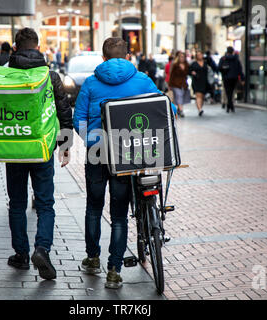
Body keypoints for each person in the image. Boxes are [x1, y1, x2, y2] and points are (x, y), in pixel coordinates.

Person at [73, 37, 176, 290]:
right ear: (128, 56)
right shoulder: (141, 80)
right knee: (119, 215)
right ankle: (114, 271)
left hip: (97, 153)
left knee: (94, 208)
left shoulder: (91, 82)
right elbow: (167, 108)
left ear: (103, 57)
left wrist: (92, 142)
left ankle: (92, 258)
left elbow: (79, 120)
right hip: (128, 154)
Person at [4, 28, 73, 280]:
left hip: (13, 147)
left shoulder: (5, 75)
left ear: (15, 47)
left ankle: (21, 255)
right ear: (38, 46)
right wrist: (65, 145)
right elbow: (64, 110)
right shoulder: (49, 76)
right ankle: (42, 248)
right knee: (45, 203)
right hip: (43, 147)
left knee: (17, 203)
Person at [190, 50, 217, 116]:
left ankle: (200, 107)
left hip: (204, 81)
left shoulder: (206, 62)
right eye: (198, 55)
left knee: (202, 96)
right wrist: (193, 73)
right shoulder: (194, 63)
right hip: (196, 81)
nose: (200, 56)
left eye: (201, 54)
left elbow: (213, 66)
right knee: (198, 95)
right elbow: (189, 71)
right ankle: (200, 109)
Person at [218, 47, 245, 113]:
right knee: (232, 91)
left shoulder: (223, 59)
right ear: (232, 52)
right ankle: (230, 105)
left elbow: (219, 68)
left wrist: (223, 71)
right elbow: (240, 69)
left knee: (228, 91)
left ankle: (229, 105)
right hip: (234, 77)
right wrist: (242, 78)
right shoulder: (236, 59)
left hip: (226, 77)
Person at [168, 51, 190, 118]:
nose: (182, 58)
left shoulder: (187, 65)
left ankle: (178, 109)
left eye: (183, 57)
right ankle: (181, 110)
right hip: (175, 83)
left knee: (181, 96)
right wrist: (169, 85)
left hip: (183, 84)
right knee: (179, 95)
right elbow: (171, 75)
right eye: (180, 57)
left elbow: (187, 74)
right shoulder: (175, 65)